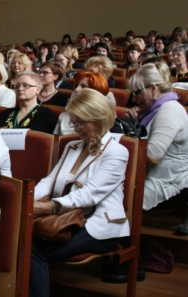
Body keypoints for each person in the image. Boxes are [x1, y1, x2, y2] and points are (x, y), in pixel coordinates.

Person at [30, 89, 130, 297]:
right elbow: (49, 182)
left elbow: (90, 195)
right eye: (74, 122)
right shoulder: (73, 146)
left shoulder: (117, 152)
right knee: (21, 239)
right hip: (67, 217)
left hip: (99, 224)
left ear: (100, 118)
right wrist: (28, 198)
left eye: (81, 122)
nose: (76, 129)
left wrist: (49, 206)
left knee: (33, 250)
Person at [125, 63, 188, 232]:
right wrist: (132, 124)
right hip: (151, 173)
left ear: (153, 89)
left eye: (137, 92)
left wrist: (125, 143)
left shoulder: (170, 110)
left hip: (168, 178)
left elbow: (153, 153)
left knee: (116, 197)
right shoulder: (153, 110)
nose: (133, 98)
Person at [54, 71, 115, 135]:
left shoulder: (101, 120)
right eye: (77, 85)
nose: (76, 89)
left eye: (83, 86)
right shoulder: (64, 116)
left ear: (96, 91)